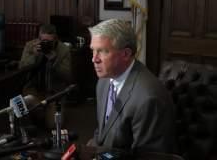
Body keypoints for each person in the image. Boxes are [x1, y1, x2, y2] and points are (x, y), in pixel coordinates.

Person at [87, 19, 176, 153]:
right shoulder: (104, 80)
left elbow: (147, 156)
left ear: (126, 54)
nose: (94, 59)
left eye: (103, 51)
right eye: (93, 50)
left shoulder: (148, 99)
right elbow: (102, 132)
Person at [19, 24, 73, 129]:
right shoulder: (31, 46)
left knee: (53, 125)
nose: (46, 44)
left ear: (55, 39)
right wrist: (33, 56)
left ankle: (45, 110)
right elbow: (21, 68)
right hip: (34, 89)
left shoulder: (63, 50)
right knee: (26, 106)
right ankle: (41, 111)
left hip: (54, 92)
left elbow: (68, 76)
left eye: (49, 42)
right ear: (39, 38)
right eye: (43, 41)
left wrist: (53, 62)